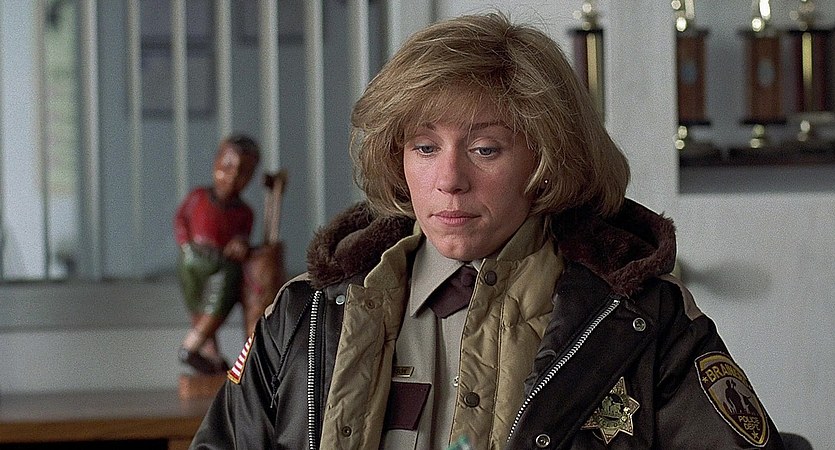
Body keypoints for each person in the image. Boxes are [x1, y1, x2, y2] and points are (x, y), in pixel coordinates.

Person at [190, 13, 785, 449]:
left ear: (545, 160)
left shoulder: (639, 320)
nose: (449, 180)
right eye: (425, 147)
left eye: (485, 149)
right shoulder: (304, 317)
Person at [174, 134, 260, 375]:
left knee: (223, 292)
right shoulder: (198, 197)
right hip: (192, 260)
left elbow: (242, 240)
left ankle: (193, 348)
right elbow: (181, 220)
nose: (232, 176)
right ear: (216, 163)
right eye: (227, 166)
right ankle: (208, 352)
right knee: (198, 307)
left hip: (222, 265)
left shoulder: (244, 212)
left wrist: (240, 245)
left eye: (243, 173)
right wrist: (186, 245)